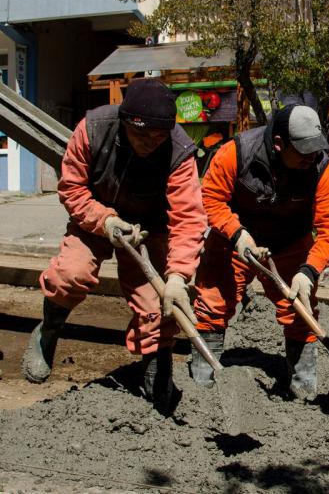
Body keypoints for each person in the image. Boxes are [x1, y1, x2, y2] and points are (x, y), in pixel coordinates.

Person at [22, 79, 206, 412]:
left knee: (159, 301)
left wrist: (178, 275)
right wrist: (104, 221)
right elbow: (72, 189)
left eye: (158, 136)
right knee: (69, 275)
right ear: (124, 123)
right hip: (95, 221)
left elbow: (189, 218)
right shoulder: (92, 129)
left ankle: (157, 364)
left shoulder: (179, 152)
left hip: (151, 229)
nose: (151, 143)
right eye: (141, 135)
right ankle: (47, 331)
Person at [190, 104, 329, 400]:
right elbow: (211, 197)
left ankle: (303, 387)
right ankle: (202, 384)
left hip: (289, 243)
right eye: (303, 152)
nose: (311, 158)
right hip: (234, 241)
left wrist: (309, 270)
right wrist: (236, 233)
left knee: (300, 310)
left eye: (315, 150)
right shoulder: (236, 153)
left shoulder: (320, 169)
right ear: (279, 143)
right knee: (213, 304)